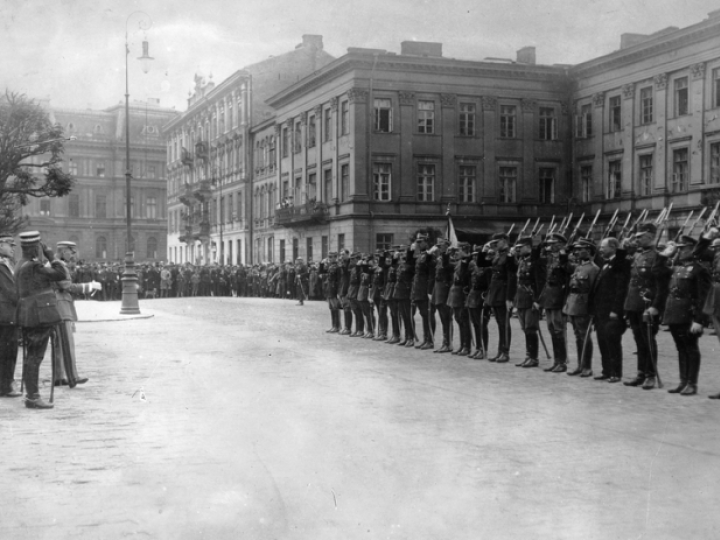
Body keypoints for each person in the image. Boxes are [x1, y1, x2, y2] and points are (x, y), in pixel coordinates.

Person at [15, 232, 67, 409]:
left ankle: (32, 394)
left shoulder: (20, 264)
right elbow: (61, 274)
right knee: (35, 357)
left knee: (32, 356)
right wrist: (51, 256)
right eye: (39, 246)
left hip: (29, 315)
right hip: (39, 316)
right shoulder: (34, 266)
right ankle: (33, 397)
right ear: (35, 248)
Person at [622, 223, 671, 390]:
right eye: (636, 236)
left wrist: (656, 306)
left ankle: (650, 375)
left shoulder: (657, 257)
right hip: (634, 304)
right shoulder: (637, 256)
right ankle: (641, 373)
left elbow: (662, 286)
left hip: (647, 305)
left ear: (650, 236)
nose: (637, 239)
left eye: (640, 236)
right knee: (638, 340)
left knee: (648, 340)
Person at [661, 236, 711, 396]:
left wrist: (699, 320)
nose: (680, 251)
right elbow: (657, 270)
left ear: (693, 250)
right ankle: (683, 381)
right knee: (681, 348)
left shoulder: (700, 270)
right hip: (675, 314)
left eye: (684, 248)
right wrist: (665, 255)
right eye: (680, 248)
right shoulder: (677, 268)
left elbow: (703, 297)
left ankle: (692, 383)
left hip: (689, 316)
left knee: (690, 348)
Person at [53, 241, 102, 387]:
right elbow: (66, 286)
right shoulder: (58, 265)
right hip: (61, 305)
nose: (73, 255)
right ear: (62, 252)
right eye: (70, 251)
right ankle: (72, 376)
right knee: (66, 343)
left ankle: (59, 376)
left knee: (59, 344)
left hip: (59, 305)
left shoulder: (57, 264)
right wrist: (89, 286)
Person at [589, 237, 630, 383]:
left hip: (611, 311)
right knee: (602, 341)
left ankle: (615, 372)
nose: (600, 250)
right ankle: (606, 370)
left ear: (613, 248)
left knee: (612, 341)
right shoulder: (604, 264)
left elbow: (620, 289)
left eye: (603, 247)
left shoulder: (620, 263)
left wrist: (616, 310)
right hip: (601, 311)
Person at [563, 238, 600, 377]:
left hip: (584, 306)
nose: (576, 252)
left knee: (584, 336)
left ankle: (587, 367)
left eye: (580, 249)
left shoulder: (594, 269)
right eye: (576, 249)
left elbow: (594, 291)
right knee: (578, 336)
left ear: (589, 251)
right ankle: (580, 364)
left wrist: (592, 310)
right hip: (573, 304)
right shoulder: (578, 267)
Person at [538, 232, 572, 373]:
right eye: (550, 243)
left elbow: (569, 272)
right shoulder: (550, 259)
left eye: (554, 243)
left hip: (559, 297)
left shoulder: (568, 258)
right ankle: (557, 361)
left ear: (561, 244)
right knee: (552, 329)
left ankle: (562, 362)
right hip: (549, 297)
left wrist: (564, 256)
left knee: (558, 330)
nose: (550, 246)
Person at [514, 235, 546, 368]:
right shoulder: (522, 261)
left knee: (530, 328)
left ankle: (533, 357)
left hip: (531, 299)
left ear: (528, 247)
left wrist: (538, 300)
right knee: (524, 328)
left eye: (520, 248)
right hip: (521, 298)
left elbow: (540, 282)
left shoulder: (536, 263)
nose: (518, 250)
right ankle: (528, 355)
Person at [484, 233, 517, 363]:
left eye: (496, 242)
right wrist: (484, 251)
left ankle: (505, 351)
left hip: (503, 292)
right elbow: (484, 265)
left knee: (504, 324)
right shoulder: (498, 254)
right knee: (499, 323)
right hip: (496, 292)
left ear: (504, 241)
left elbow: (511, 278)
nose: (494, 244)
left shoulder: (509, 256)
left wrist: (509, 298)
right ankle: (500, 351)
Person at [0, 236, 21, 398]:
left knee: (9, 350)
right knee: (7, 351)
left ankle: (6, 384)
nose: (13, 248)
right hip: (5, 315)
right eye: (9, 245)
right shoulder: (2, 266)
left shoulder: (8, 264)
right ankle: (6, 386)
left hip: (8, 314)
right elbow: (11, 290)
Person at [411, 233, 435, 350]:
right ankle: (426, 339)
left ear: (426, 242)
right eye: (417, 242)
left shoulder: (430, 256)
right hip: (419, 289)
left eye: (421, 241)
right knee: (423, 315)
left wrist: (429, 291)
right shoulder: (420, 256)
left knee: (428, 315)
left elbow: (431, 275)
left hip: (425, 289)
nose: (419, 244)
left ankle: (430, 340)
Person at [430, 239, 453, 353]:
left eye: (441, 246)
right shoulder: (439, 258)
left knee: (446, 317)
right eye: (438, 246)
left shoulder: (449, 258)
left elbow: (447, 268)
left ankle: (448, 343)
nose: (439, 248)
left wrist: (445, 255)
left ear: (447, 247)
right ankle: (445, 342)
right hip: (438, 288)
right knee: (442, 316)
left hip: (444, 289)